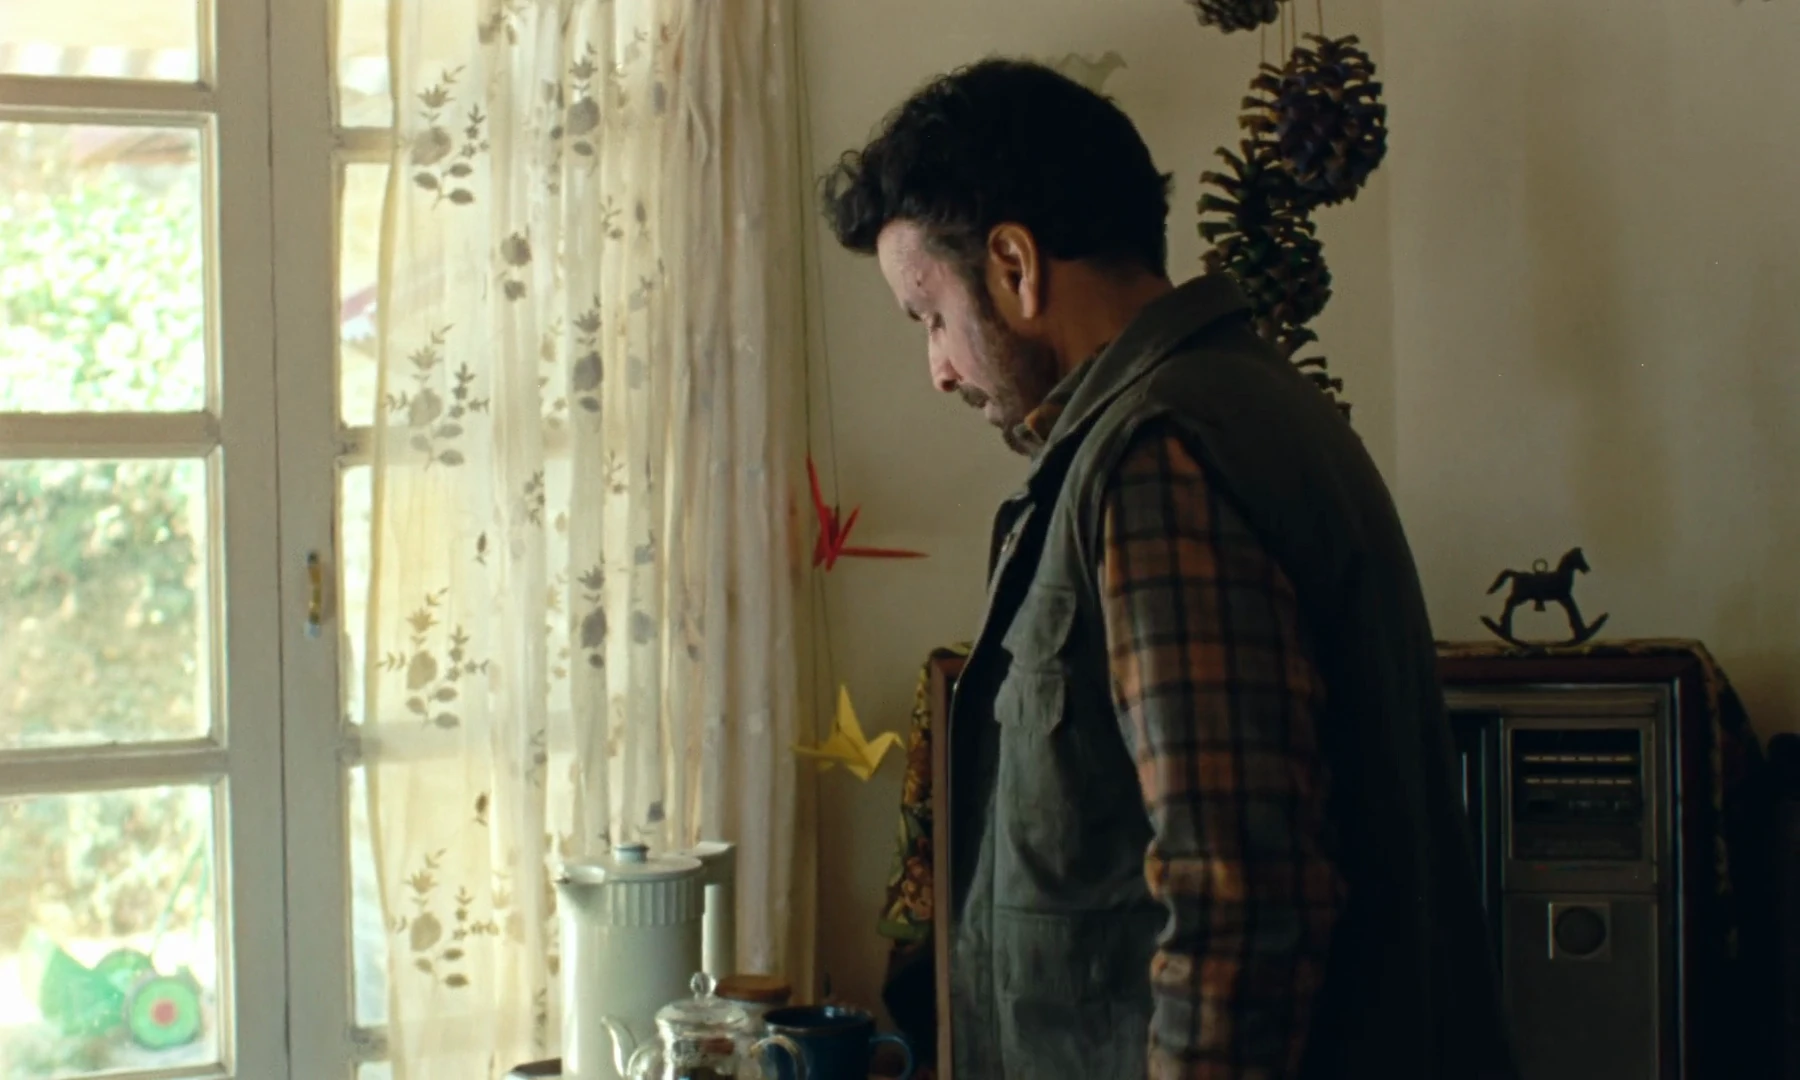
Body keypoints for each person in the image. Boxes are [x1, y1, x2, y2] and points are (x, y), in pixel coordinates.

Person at [819, 58, 1515, 1080]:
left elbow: (1239, 909)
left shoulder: (1159, 457)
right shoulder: (1217, 410)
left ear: (1014, 265)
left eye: (929, 316)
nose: (940, 369)